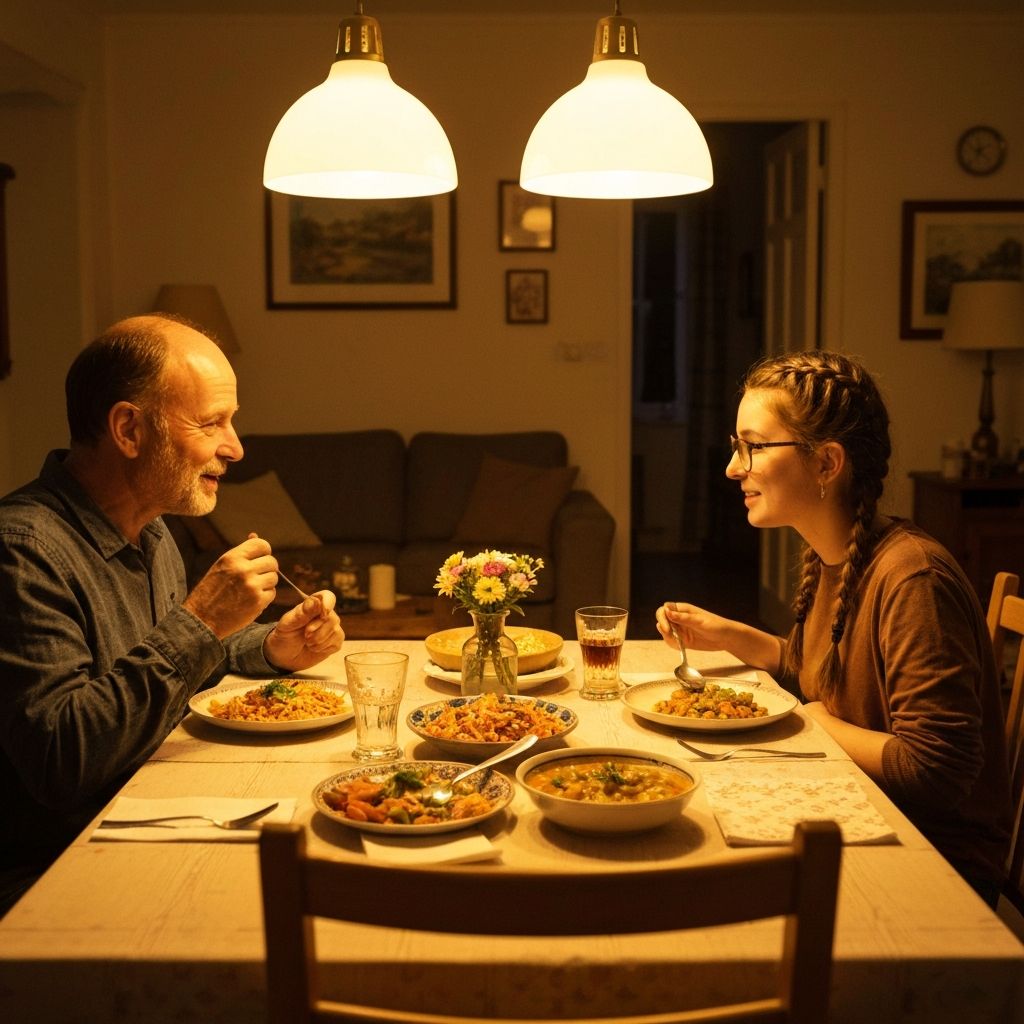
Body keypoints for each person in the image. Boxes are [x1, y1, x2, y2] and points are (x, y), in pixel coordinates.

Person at [0, 314, 344, 914]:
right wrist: (203, 621)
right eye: (211, 422)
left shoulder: (152, 530)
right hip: (60, 866)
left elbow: (158, 667)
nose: (235, 447)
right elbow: (63, 760)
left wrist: (266, 648)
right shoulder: (23, 551)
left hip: (153, 805)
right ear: (129, 429)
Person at [656, 350, 1011, 906]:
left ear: (826, 463)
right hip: (861, 813)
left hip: (933, 866)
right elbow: (826, 672)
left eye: (753, 446)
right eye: (735, 446)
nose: (732, 467)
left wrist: (812, 721)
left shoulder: (913, 578)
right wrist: (732, 637)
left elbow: (937, 771)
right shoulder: (837, 556)